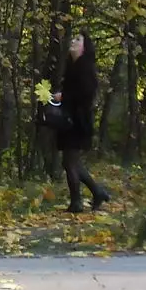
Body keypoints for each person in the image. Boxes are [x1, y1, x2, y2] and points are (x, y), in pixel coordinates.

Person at [51, 32, 111, 213]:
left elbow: (86, 95)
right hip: (70, 120)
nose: (73, 41)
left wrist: (65, 96)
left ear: (85, 47)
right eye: (73, 38)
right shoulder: (72, 67)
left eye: (78, 39)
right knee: (71, 162)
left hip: (78, 122)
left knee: (70, 162)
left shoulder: (86, 67)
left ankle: (77, 202)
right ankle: (97, 192)